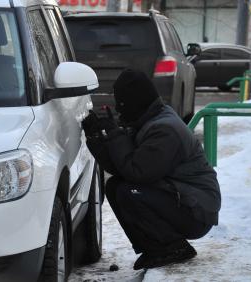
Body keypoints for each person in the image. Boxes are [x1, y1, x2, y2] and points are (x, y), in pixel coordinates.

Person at [82, 69, 221, 270]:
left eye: (122, 105)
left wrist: (114, 134)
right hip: (182, 197)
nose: (119, 111)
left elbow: (136, 172)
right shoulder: (148, 120)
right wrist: (96, 138)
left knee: (129, 191)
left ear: (134, 102)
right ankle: (155, 247)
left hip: (197, 211)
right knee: (115, 186)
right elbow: (120, 168)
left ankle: (172, 247)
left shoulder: (164, 129)